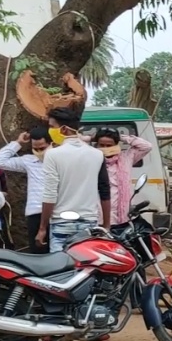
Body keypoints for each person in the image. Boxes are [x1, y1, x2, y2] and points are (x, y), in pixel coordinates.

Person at [38, 107, 111, 252]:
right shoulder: (96, 154)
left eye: (52, 126)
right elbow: (104, 190)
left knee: (61, 270)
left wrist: (42, 228)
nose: (50, 130)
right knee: (85, 269)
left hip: (61, 223)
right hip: (88, 223)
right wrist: (107, 225)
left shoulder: (52, 155)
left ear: (64, 129)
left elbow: (50, 194)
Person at [0, 127, 52, 253]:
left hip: (56, 212)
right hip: (35, 212)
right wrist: (18, 143)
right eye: (35, 148)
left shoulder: (60, 160)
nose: (39, 151)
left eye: (42, 148)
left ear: (50, 144)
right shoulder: (29, 160)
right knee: (37, 253)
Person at [93, 128, 153, 226]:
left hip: (120, 216)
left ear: (116, 145)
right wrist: (91, 138)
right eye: (102, 145)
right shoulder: (91, 160)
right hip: (97, 215)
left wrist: (119, 137)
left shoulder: (126, 158)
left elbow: (147, 146)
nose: (105, 148)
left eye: (109, 145)